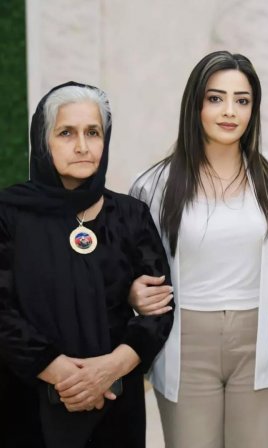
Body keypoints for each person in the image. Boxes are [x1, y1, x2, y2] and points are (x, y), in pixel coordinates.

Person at [129, 51, 268, 448]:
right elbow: (130, 267)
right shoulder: (153, 185)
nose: (230, 111)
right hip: (185, 343)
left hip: (260, 343)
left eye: (242, 100)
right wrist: (134, 292)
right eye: (216, 98)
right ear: (195, 104)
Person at [0, 81, 174, 448]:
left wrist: (109, 369)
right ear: (44, 141)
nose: (82, 145)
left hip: (116, 403)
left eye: (93, 132)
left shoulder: (131, 215)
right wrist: (63, 373)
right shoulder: (9, 214)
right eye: (66, 133)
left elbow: (159, 309)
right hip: (29, 401)